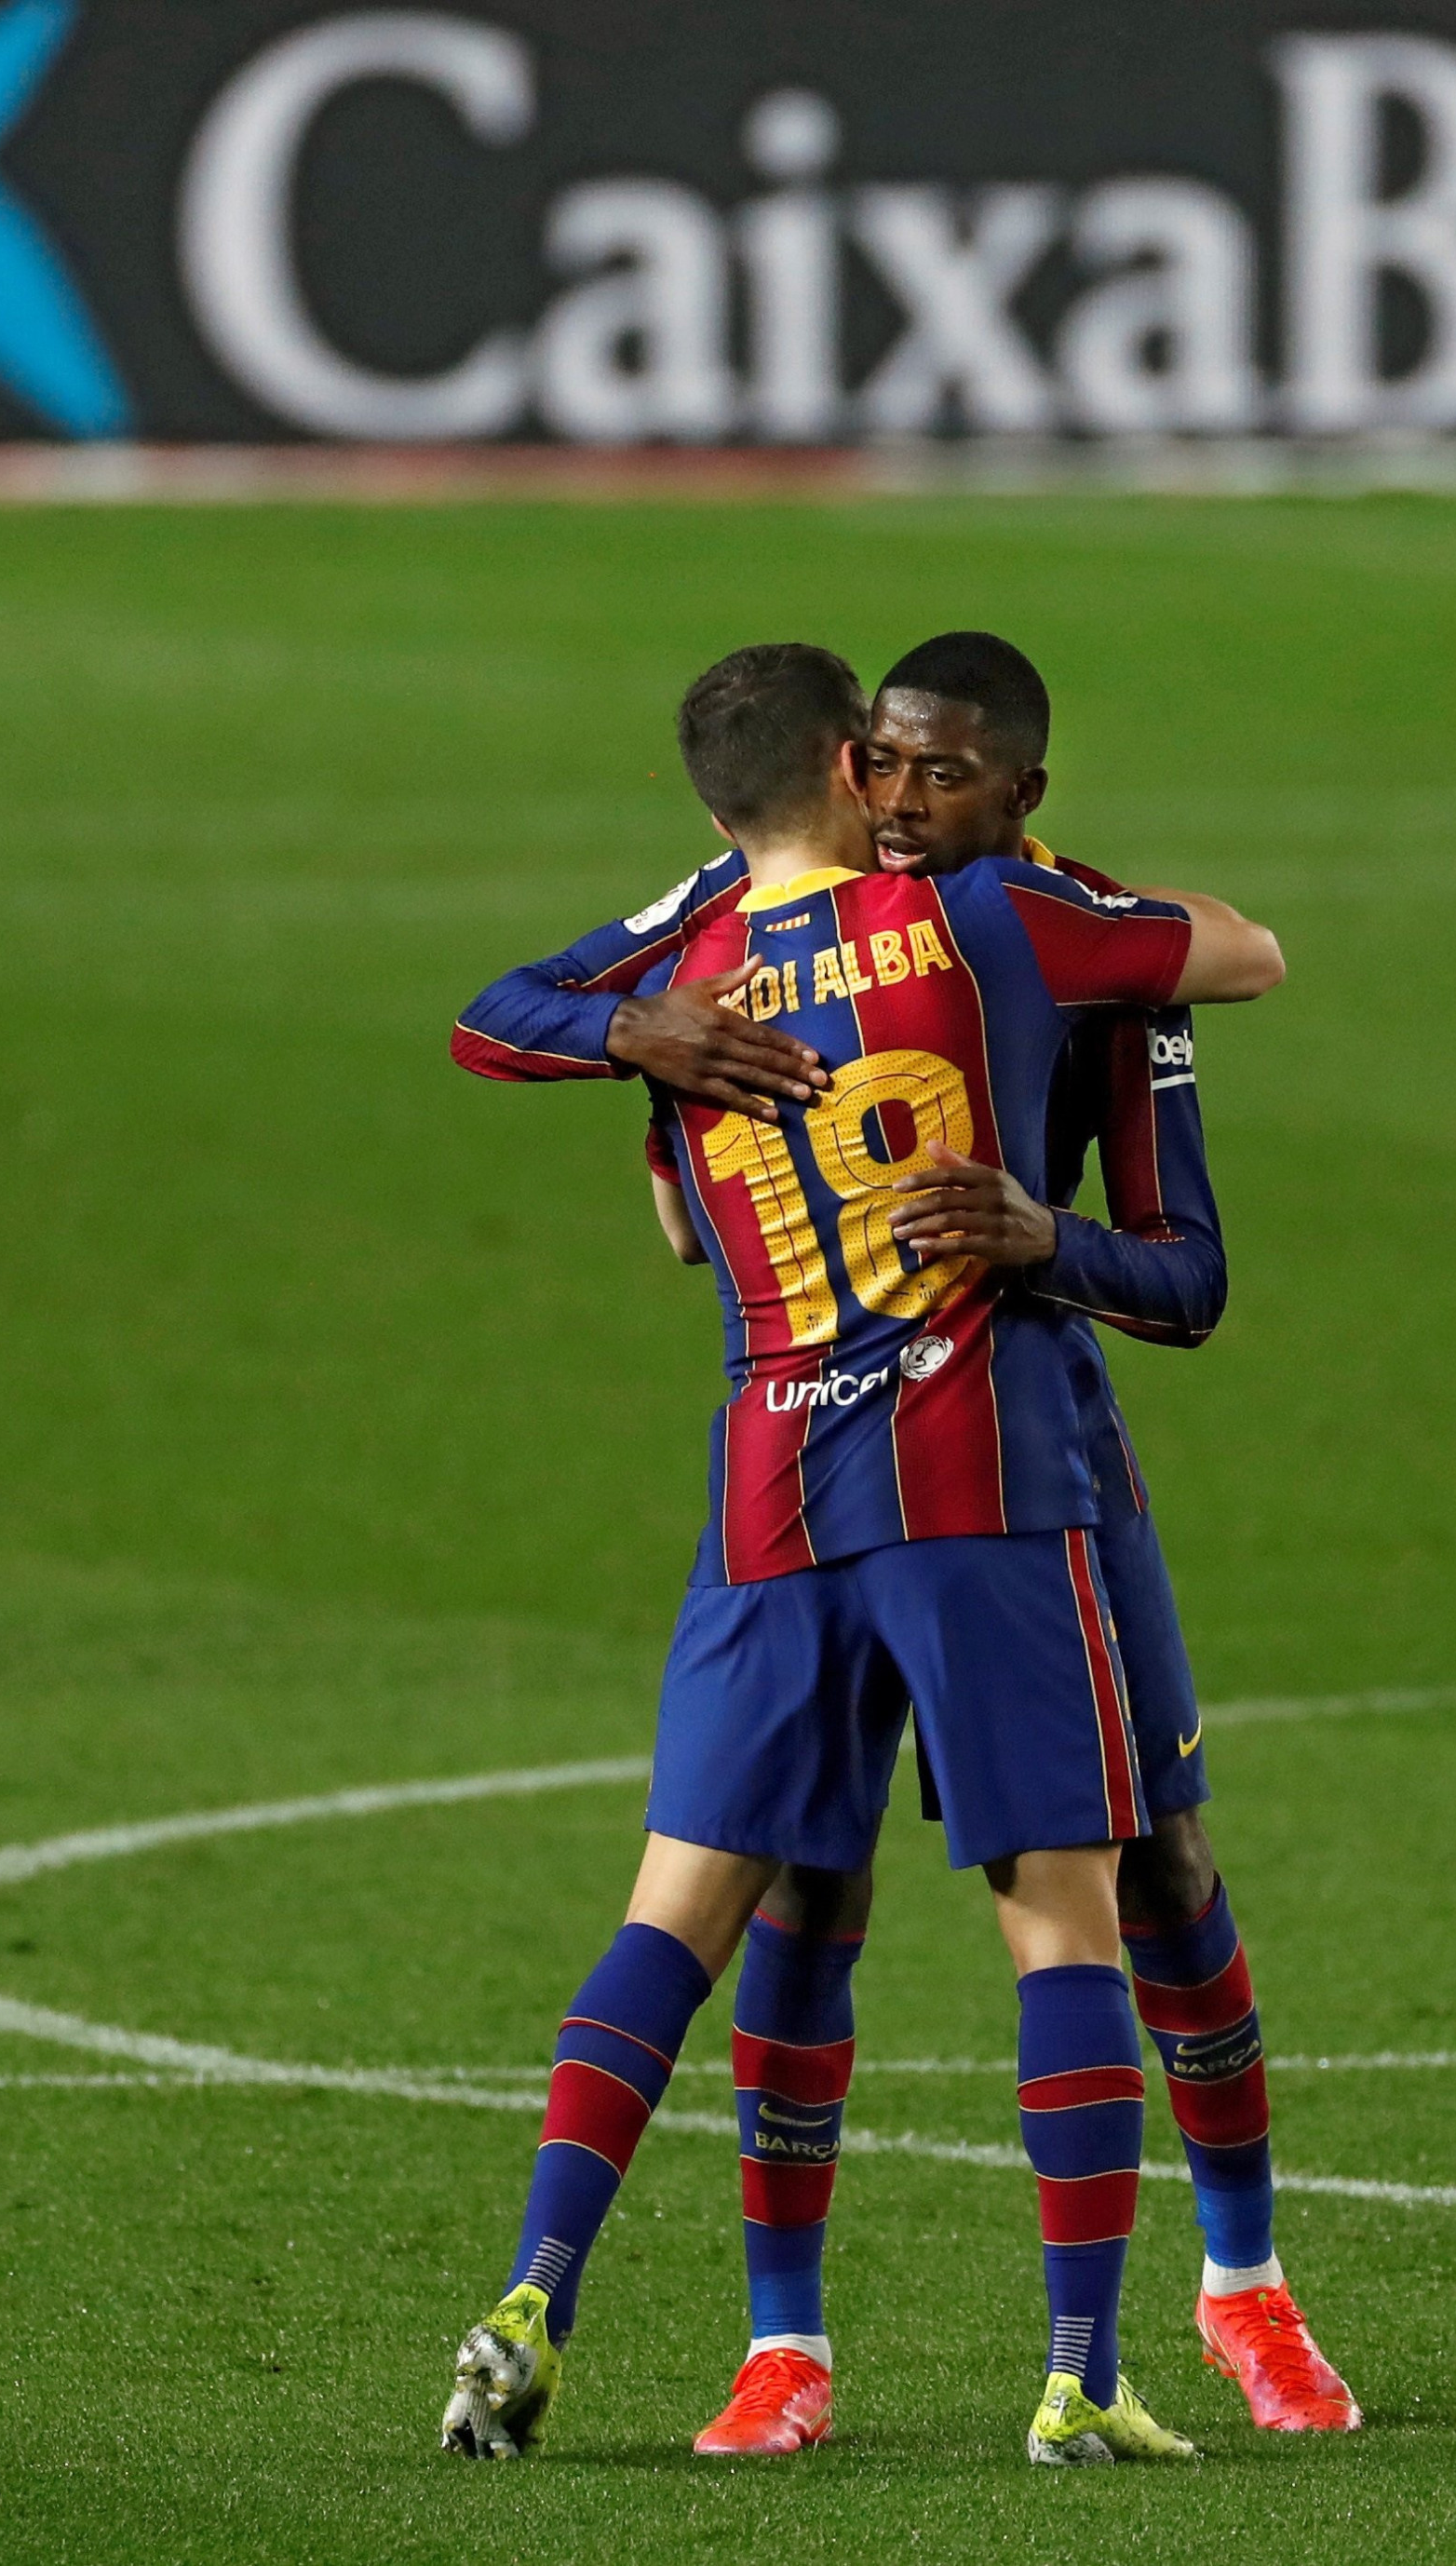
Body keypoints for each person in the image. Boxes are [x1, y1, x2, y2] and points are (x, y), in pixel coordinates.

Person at [479, 632, 1352, 2451]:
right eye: (879, 762)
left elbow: (1183, 1273)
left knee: (1160, 1867)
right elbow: (522, 1015)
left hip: (1040, 1462)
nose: (900, 798)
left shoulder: (1060, 931)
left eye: (938, 774)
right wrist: (630, 1043)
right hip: (851, 1463)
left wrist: (1044, 1239)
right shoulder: (754, 911)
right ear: (842, 764)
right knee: (808, 1885)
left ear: (1012, 792)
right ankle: (784, 2351)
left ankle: (1243, 2289)